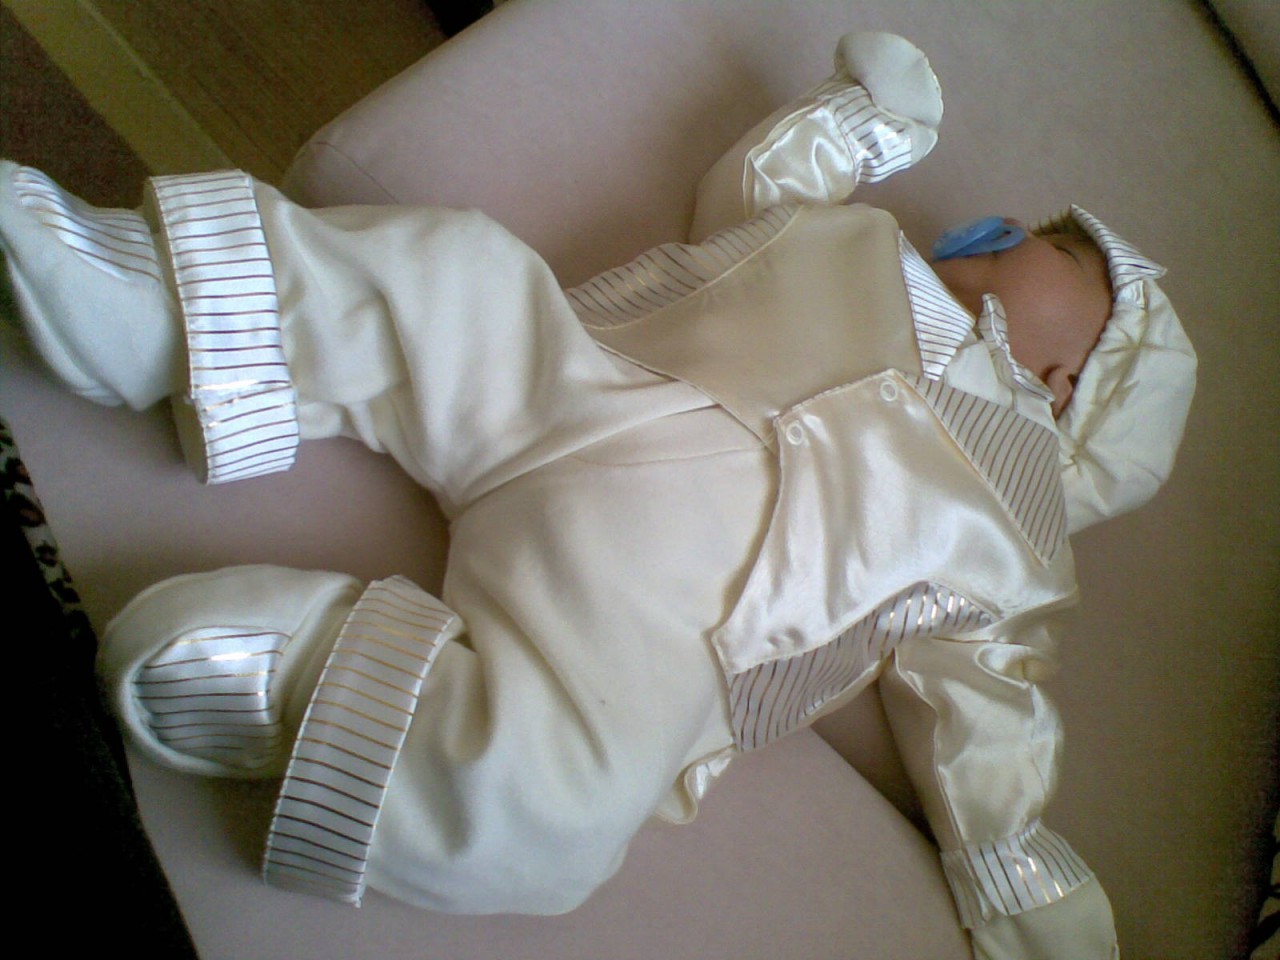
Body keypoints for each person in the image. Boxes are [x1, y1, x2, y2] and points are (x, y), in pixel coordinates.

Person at [0, 32, 1195, 960]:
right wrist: (855, 124)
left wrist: (1027, 893)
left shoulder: (1015, 531)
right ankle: (151, 303)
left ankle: (313, 683)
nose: (993, 231)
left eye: (1038, 250)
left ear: (1073, 381)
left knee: (566, 804)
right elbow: (752, 189)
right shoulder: (863, 245)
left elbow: (985, 717)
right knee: (447, 277)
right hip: (575, 380)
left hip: (673, 618)